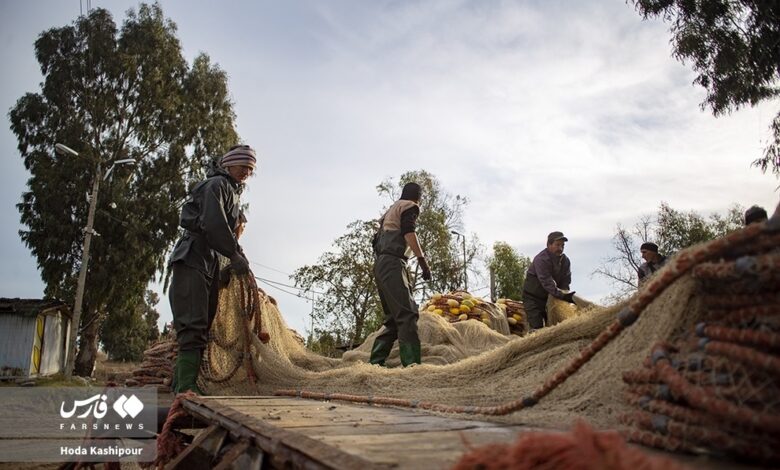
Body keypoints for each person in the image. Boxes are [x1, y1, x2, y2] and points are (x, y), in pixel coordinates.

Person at [168, 145, 256, 394]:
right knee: (193, 323)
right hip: (193, 257)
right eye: (243, 166)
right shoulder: (216, 185)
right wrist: (233, 254)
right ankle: (185, 386)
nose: (246, 172)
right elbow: (214, 224)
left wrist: (232, 261)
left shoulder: (232, 192)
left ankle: (182, 384)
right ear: (228, 164)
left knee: (202, 323)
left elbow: (226, 235)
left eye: (250, 169)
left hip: (209, 261)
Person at [369, 182, 432, 367]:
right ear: (418, 197)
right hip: (392, 263)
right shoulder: (409, 206)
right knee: (408, 314)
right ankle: (412, 366)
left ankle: (375, 364)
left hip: (381, 264)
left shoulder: (390, 211)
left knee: (393, 319)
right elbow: (409, 231)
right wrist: (422, 260)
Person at [522, 231, 575, 331]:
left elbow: (565, 281)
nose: (560, 248)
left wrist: (565, 294)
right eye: (557, 245)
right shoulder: (541, 259)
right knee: (537, 326)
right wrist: (561, 295)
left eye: (562, 245)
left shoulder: (565, 261)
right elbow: (547, 282)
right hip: (533, 298)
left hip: (550, 298)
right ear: (549, 245)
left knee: (555, 325)